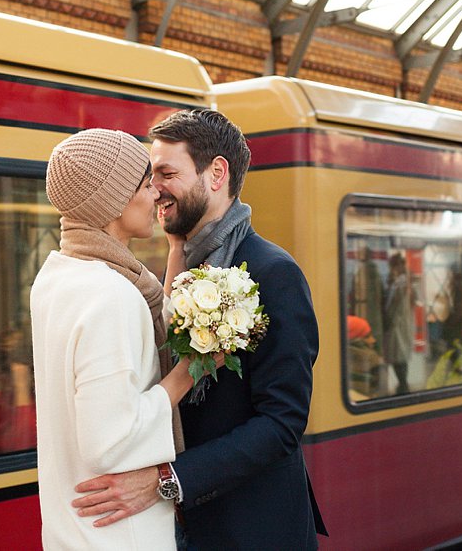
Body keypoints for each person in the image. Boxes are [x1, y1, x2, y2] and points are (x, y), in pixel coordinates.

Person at [72, 109, 326, 550]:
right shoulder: (180, 263)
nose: (153, 190)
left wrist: (166, 482)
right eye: (151, 179)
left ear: (216, 174)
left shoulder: (274, 272)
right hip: (186, 529)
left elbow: (282, 423)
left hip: (253, 530)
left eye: (166, 174)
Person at [31, 128, 202, 549]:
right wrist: (186, 374)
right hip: (120, 535)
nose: (157, 196)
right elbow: (108, 441)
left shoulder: (55, 278)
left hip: (71, 529)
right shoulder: (111, 296)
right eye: (146, 185)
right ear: (114, 200)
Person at [382, 253, 413, 395]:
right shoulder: (399, 281)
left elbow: (396, 304)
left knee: (398, 356)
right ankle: (402, 385)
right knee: (397, 356)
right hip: (397, 323)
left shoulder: (402, 282)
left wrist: (390, 320)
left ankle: (403, 386)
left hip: (397, 323)